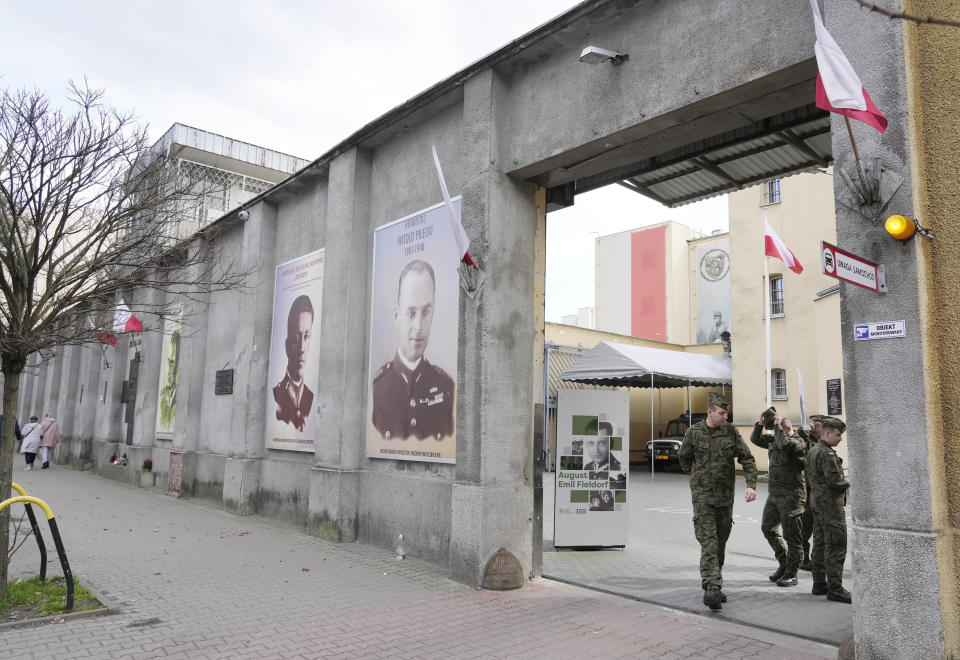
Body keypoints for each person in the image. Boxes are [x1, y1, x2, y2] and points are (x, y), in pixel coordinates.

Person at [678, 393, 758, 611]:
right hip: (703, 498)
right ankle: (712, 587)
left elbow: (747, 458)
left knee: (720, 543)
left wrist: (751, 484)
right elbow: (684, 457)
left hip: (725, 499)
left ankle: (714, 583)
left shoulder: (731, 432)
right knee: (709, 542)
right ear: (710, 412)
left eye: (727, 413)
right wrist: (697, 478)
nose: (725, 417)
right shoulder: (694, 432)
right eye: (722, 413)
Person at [372, 259, 454, 440]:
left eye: (426, 312)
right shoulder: (376, 388)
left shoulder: (447, 388)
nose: (418, 326)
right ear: (396, 316)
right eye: (411, 313)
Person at [750, 408, 807, 587]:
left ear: (789, 429)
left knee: (793, 537)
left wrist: (778, 429)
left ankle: (792, 573)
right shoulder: (775, 439)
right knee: (768, 529)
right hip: (775, 494)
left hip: (792, 496)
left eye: (783, 430)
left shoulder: (799, 441)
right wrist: (760, 424)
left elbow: (786, 445)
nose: (780, 433)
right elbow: (755, 439)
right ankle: (784, 563)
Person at [806, 416, 852, 604]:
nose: (840, 438)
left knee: (820, 543)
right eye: (838, 434)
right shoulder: (827, 454)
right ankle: (835, 587)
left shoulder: (813, 450)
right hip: (830, 505)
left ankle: (819, 583)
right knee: (836, 545)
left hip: (817, 502)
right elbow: (835, 482)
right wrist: (849, 482)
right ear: (826, 433)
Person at [272, 295, 315, 432]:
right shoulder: (275, 394)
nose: (302, 348)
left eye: (306, 337)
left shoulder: (311, 397)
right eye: (296, 338)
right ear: (287, 345)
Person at [796, 415, 825, 571]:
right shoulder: (805, 440)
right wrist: (810, 426)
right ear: (815, 427)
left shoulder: (820, 443)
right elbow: (800, 431)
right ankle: (802, 559)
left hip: (817, 490)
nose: (826, 430)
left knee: (817, 527)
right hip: (807, 490)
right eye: (822, 426)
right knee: (806, 526)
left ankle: (815, 559)